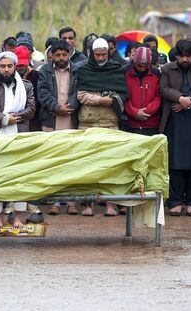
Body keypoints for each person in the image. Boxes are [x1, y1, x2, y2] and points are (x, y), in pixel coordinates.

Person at [0, 51, 35, 227]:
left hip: (19, 135)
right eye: (2, 66)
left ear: (14, 67)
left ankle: (18, 217)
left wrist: (15, 118)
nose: (6, 70)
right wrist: (5, 119)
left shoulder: (26, 86)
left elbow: (32, 108)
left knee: (20, 177)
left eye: (9, 66)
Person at [76, 38, 128, 216]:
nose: (100, 58)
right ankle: (89, 204)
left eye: (103, 54)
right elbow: (81, 95)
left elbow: (123, 94)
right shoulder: (84, 70)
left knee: (110, 164)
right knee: (87, 164)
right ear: (91, 53)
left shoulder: (116, 70)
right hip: (87, 122)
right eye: (97, 54)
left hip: (110, 122)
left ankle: (110, 204)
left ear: (109, 53)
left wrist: (112, 99)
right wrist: (101, 100)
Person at [37, 39, 79, 216]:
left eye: (64, 54)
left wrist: (69, 105)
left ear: (69, 54)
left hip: (71, 119)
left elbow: (79, 91)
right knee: (53, 162)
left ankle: (71, 201)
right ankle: (54, 201)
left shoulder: (77, 70)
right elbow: (42, 93)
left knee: (71, 162)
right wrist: (56, 107)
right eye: (57, 55)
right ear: (51, 56)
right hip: (51, 120)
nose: (61, 58)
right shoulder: (44, 71)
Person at [160, 39, 191, 216]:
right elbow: (164, 89)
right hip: (174, 120)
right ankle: (174, 201)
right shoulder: (167, 69)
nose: (185, 59)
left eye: (188, 56)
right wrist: (181, 98)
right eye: (182, 56)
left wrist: (187, 103)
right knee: (174, 161)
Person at [124, 47, 161, 136]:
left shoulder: (155, 72)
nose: (142, 69)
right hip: (130, 124)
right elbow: (123, 96)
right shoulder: (125, 72)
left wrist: (147, 111)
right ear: (134, 62)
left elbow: (158, 96)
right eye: (139, 65)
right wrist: (134, 112)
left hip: (151, 123)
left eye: (145, 66)